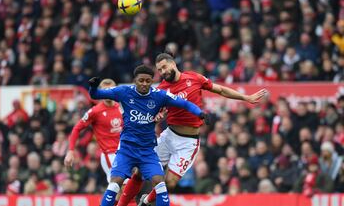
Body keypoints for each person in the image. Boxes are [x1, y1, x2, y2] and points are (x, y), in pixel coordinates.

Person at [118, 52, 268, 206]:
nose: (162, 72)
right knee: (139, 172)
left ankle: (146, 201)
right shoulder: (161, 89)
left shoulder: (194, 78)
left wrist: (246, 98)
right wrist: (157, 117)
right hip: (169, 136)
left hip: (188, 144)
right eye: (159, 70)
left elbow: (221, 90)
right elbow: (151, 115)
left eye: (164, 67)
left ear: (173, 64)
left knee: (170, 182)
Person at [89, 65, 210, 206]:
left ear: (152, 81)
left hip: (148, 151)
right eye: (141, 80)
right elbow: (96, 95)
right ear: (135, 80)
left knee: (161, 185)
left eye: (148, 81)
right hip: (127, 149)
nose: (144, 84)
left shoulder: (159, 95)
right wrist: (93, 87)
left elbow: (184, 104)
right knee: (115, 183)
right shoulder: (123, 92)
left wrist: (199, 113)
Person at [64, 78, 123, 183]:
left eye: (111, 89)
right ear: (100, 92)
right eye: (105, 90)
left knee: (127, 185)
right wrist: (70, 151)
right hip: (109, 154)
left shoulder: (121, 107)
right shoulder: (95, 111)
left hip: (124, 152)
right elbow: (77, 128)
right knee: (119, 184)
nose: (108, 93)